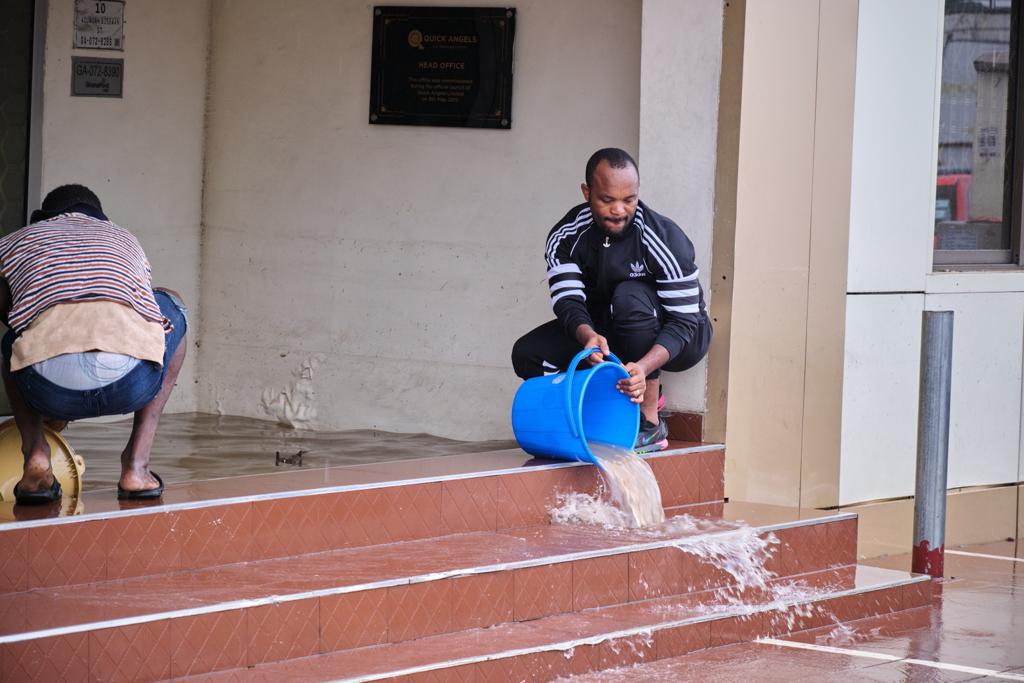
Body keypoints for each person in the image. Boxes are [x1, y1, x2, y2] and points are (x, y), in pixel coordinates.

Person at [511, 148, 712, 452]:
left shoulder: (663, 238)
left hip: (679, 335)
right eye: (607, 200)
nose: (619, 210)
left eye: (628, 200)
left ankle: (648, 420)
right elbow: (568, 301)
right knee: (527, 354)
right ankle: (600, 408)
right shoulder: (565, 236)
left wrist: (644, 368)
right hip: (609, 326)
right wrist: (588, 335)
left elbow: (684, 321)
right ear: (586, 192)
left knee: (629, 296)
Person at [0, 184, 187, 503]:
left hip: (47, 388)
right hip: (132, 383)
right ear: (101, 216)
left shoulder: (14, 242)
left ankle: (36, 454)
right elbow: (145, 313)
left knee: (12, 341)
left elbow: (10, 314)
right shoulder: (124, 238)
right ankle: (136, 467)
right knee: (172, 303)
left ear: (45, 217)